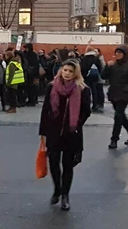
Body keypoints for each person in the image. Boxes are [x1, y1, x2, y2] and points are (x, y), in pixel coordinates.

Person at [39, 59, 92, 211]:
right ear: (61, 70)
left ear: (76, 73)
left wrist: (77, 124)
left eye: (70, 71)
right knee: (54, 163)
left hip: (71, 133)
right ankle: (57, 189)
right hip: (54, 132)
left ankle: (65, 195)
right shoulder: (52, 86)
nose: (67, 73)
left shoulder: (82, 89)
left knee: (68, 166)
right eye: (65, 70)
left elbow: (86, 110)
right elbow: (45, 109)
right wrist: (43, 131)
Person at [102, 45, 128, 149]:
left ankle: (114, 139)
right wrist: (107, 66)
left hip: (124, 95)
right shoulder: (114, 65)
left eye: (120, 53)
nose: (117, 55)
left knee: (118, 116)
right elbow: (103, 76)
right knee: (121, 116)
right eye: (116, 53)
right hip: (113, 94)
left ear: (124, 54)